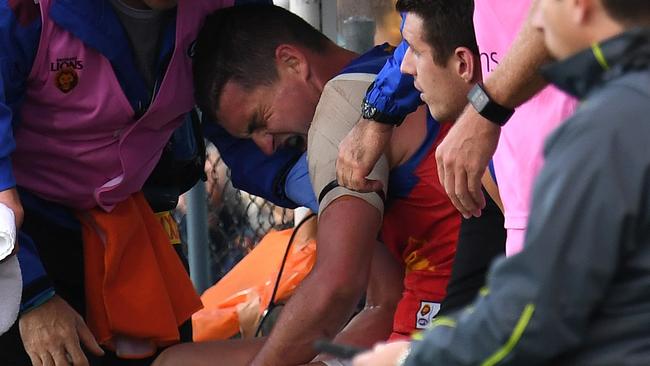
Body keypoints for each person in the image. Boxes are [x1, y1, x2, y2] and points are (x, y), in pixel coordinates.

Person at [155, 3, 472, 365]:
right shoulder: (388, 69)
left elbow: (337, 287)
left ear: (292, 62)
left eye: (260, 120)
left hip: (443, 326)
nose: (266, 145)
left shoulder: (344, 112)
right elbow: (384, 301)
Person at [353, 0, 650, 364]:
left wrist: (411, 359)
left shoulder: (605, 131)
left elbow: (534, 313)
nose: (529, 25)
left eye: (539, 6)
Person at [0, 1, 278, 365]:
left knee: (168, 357)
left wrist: (333, 190)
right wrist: (30, 297)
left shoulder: (225, 7)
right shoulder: (24, 12)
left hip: (134, 223)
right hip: (24, 241)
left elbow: (258, 117)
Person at [337, 0, 576, 256]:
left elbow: (564, 11)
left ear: (463, 63)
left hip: (560, 157)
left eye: (416, 52)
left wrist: (486, 108)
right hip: (524, 151)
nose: (407, 67)